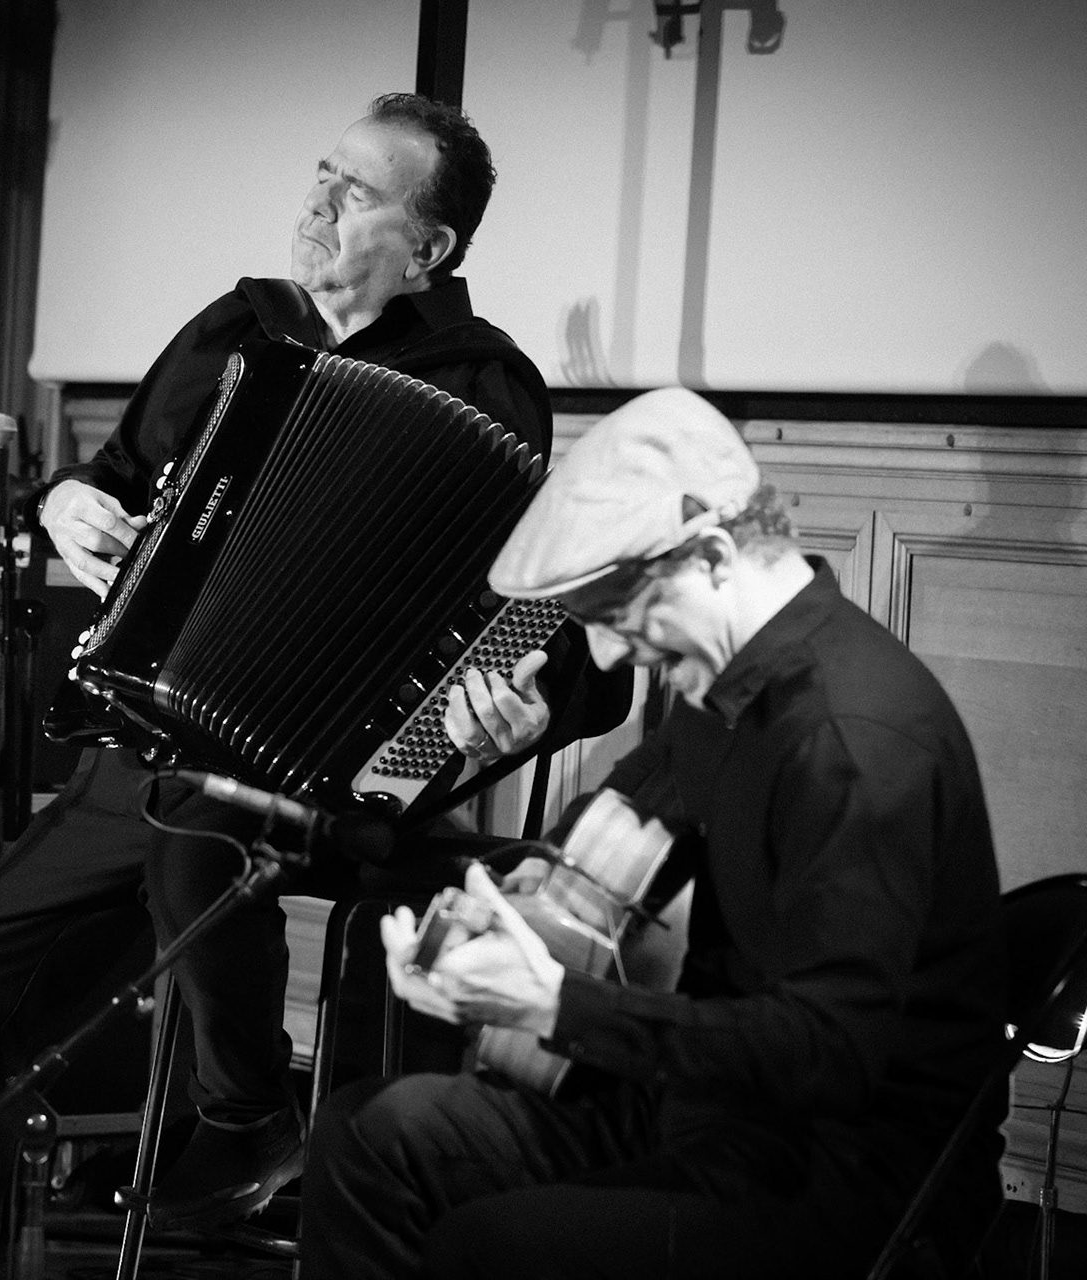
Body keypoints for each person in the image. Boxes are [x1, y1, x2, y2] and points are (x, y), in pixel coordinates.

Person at [0, 95, 628, 1276]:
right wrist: (64, 500)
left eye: (357, 190)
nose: (318, 200)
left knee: (198, 813)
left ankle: (248, 1115)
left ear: (431, 248)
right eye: (323, 172)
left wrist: (533, 695)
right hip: (144, 742)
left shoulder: (480, 384)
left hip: (339, 784)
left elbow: (533, 620)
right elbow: (116, 474)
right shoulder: (237, 331)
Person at [298, 387, 1006, 1278]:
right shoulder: (721, 687)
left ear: (710, 555)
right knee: (374, 1137)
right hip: (702, 1102)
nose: (601, 657)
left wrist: (558, 1005)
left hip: (843, 1170)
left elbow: (833, 1055)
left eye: (613, 617)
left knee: (489, 1249)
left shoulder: (848, 740)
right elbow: (591, 869)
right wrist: (503, 922)